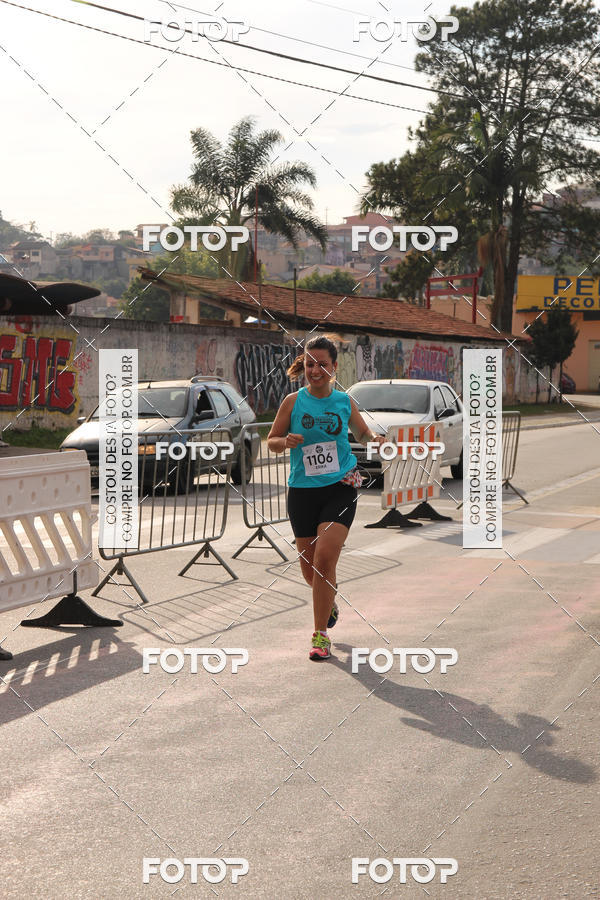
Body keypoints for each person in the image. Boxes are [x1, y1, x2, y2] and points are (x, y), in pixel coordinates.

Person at [267, 336, 386, 661]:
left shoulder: (344, 402)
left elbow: (361, 432)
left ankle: (320, 636)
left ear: (334, 367)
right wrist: (284, 442)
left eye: (322, 364)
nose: (315, 370)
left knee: (324, 558)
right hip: (303, 491)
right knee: (311, 571)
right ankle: (328, 602)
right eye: (309, 364)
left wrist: (374, 437)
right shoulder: (293, 402)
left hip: (340, 485)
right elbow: (271, 441)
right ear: (303, 367)